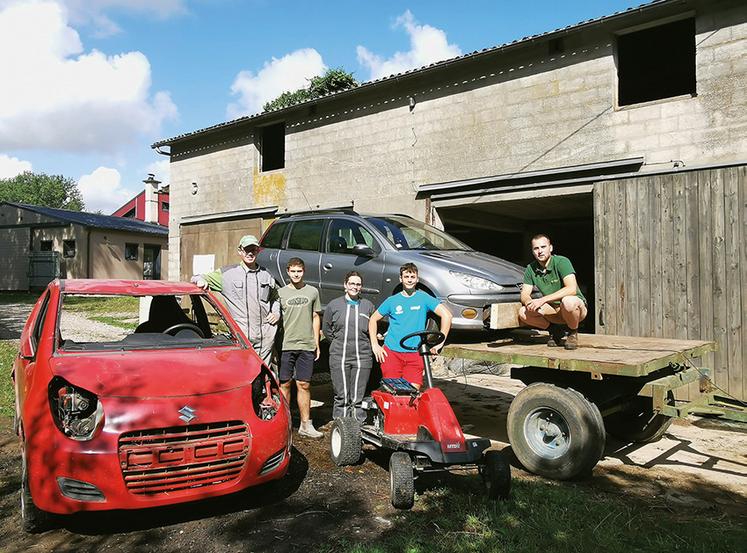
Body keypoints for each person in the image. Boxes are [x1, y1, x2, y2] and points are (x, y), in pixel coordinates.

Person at [191, 235, 279, 365]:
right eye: (247, 249)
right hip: (242, 339)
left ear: (258, 251)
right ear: (240, 251)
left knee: (263, 375)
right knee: (245, 376)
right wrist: (201, 280)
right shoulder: (227, 274)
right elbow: (197, 277)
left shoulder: (267, 274)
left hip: (266, 338)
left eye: (254, 249)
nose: (250, 253)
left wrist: (276, 313)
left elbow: (276, 298)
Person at [368, 263, 452, 390]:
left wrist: (441, 341)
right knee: (393, 393)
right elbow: (373, 319)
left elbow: (447, 316)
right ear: (401, 279)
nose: (409, 279)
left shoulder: (423, 298)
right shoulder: (392, 301)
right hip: (392, 353)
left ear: (417, 279)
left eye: (412, 276)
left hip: (414, 354)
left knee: (412, 393)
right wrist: (375, 345)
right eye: (406, 276)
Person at [277, 257, 323, 438]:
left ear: (304, 272)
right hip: (286, 344)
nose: (296, 274)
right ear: (288, 272)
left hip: (306, 344)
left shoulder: (312, 291)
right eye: (293, 271)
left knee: (304, 384)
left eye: (299, 271)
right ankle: (284, 424)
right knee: (285, 384)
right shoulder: (280, 293)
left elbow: (315, 317)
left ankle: (305, 424)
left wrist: (316, 343)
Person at [518, 234, 587, 350]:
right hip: (553, 310)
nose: (540, 251)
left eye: (543, 247)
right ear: (533, 251)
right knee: (523, 312)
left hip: (574, 309)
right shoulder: (530, 268)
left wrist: (542, 300)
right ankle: (555, 330)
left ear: (550, 248)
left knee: (568, 301)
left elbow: (571, 289)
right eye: (536, 248)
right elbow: (524, 294)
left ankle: (572, 332)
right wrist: (529, 302)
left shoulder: (561, 261)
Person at [323, 271, 376, 422]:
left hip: (362, 357)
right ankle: (341, 428)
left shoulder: (368, 306)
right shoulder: (334, 305)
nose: (355, 287)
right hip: (339, 355)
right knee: (341, 396)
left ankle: (359, 427)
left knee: (358, 396)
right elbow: (327, 330)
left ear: (361, 287)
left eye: (358, 284)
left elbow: (373, 328)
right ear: (345, 285)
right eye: (352, 283)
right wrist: (338, 342)